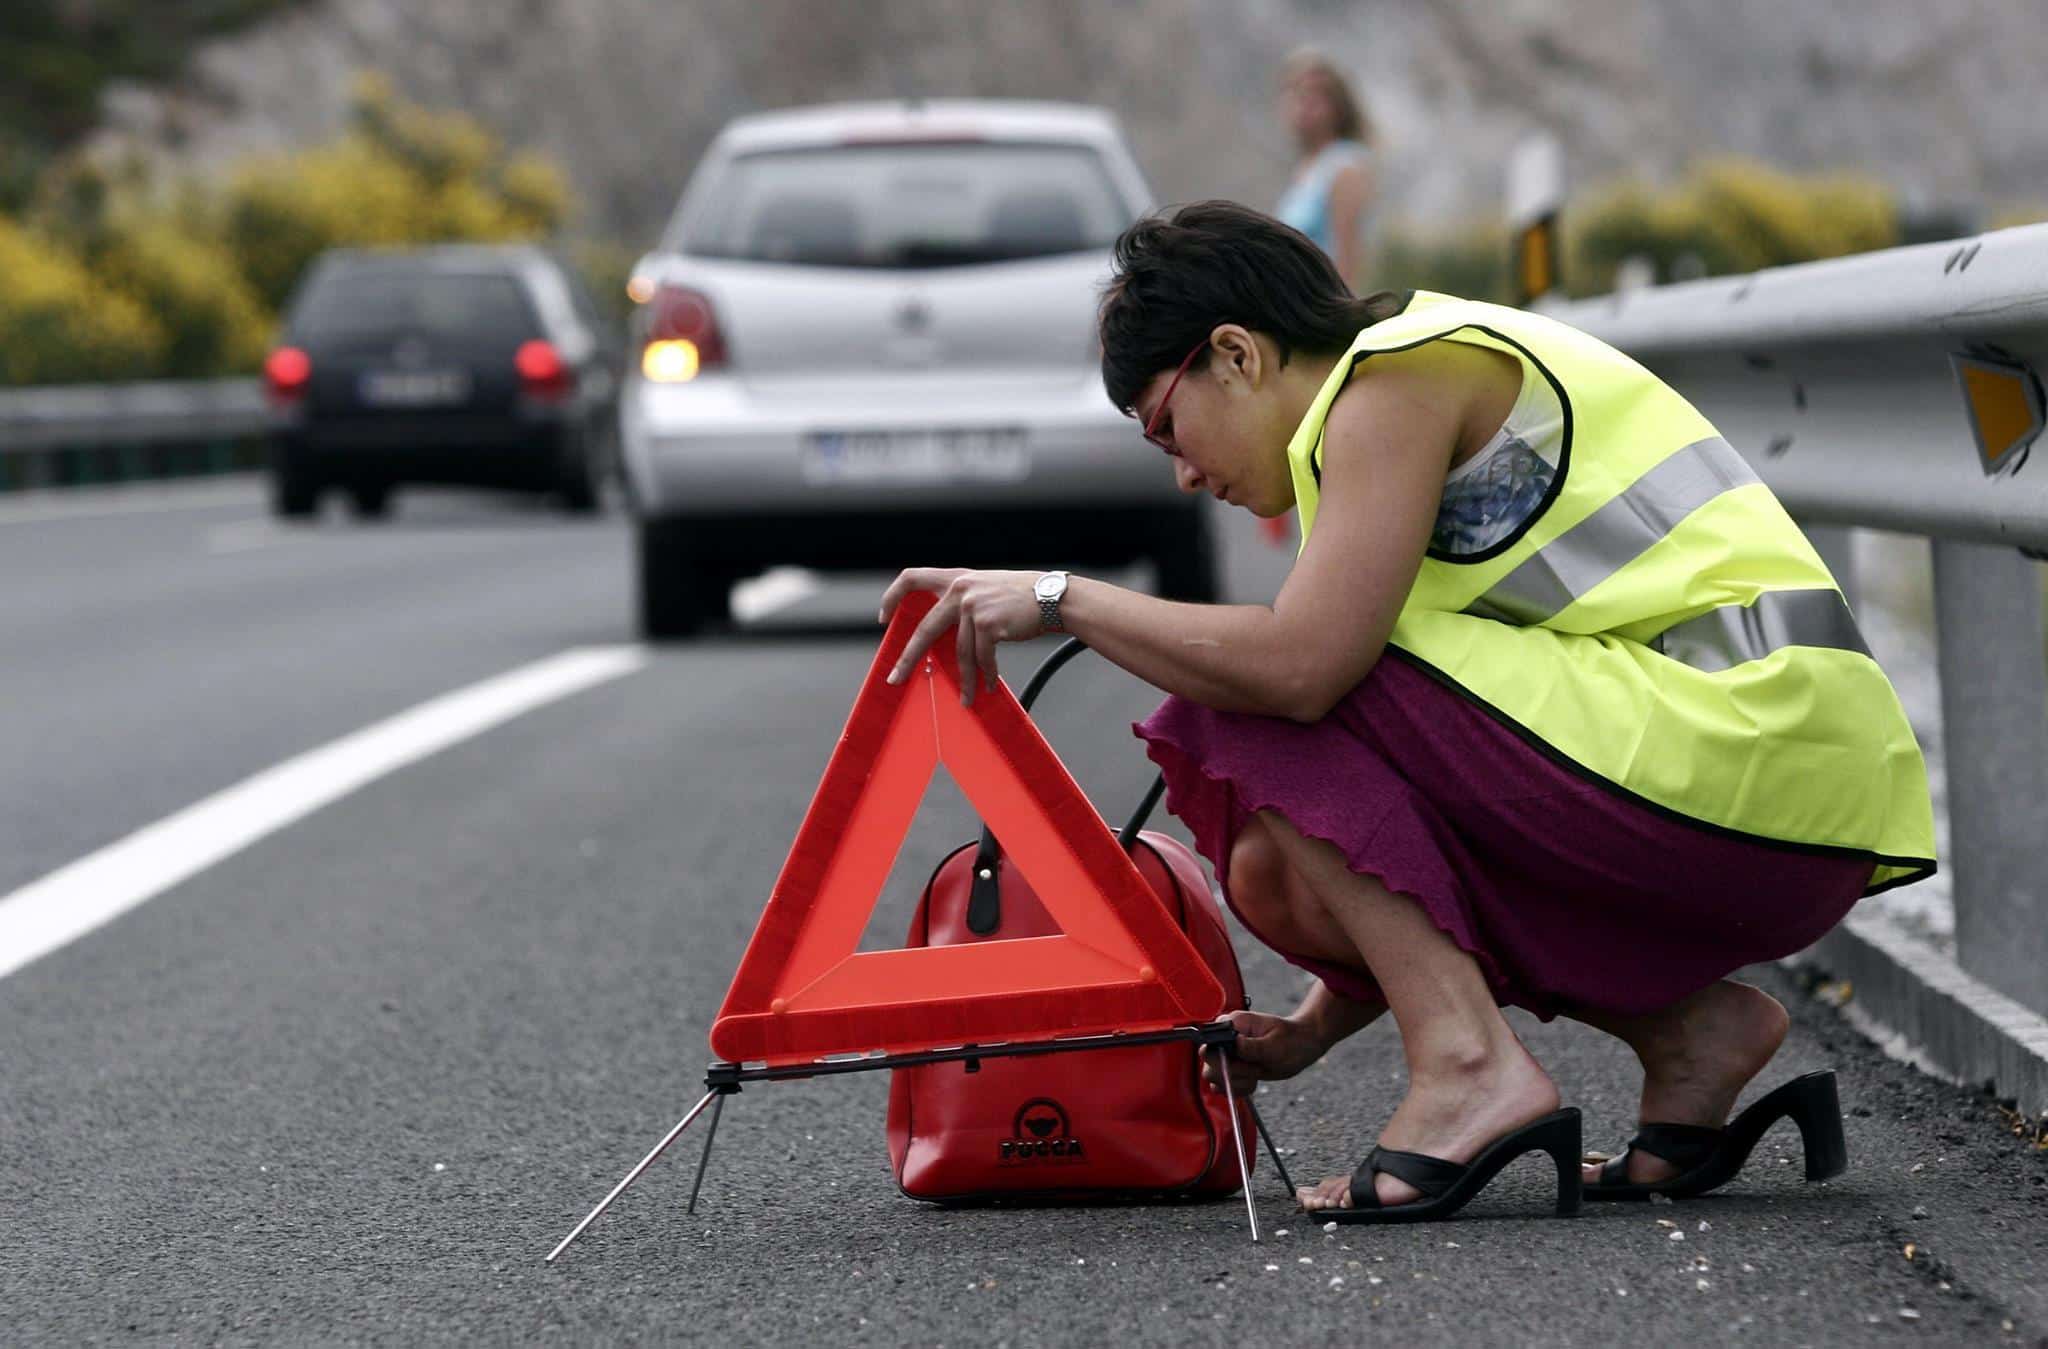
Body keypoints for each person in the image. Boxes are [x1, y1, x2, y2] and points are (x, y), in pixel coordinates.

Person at [877, 201, 1935, 1222]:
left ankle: (1467, 1067)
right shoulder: (1379, 405)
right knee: (1273, 873)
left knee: (1241, 694)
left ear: (1236, 354)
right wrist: (1309, 1032)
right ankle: (1687, 1032)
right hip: (1769, 798)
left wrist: (1062, 598)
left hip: (1749, 751)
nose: (1187, 472)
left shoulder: (1394, 380)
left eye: (1168, 428)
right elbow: (1401, 785)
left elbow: (1297, 673)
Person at [1273, 48, 1376, 287]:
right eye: (1295, 94)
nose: (1303, 106)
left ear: (1338, 107)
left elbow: (1348, 260)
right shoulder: (1305, 168)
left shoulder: (1344, 167)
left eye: (1315, 96)